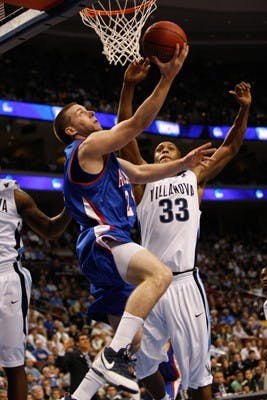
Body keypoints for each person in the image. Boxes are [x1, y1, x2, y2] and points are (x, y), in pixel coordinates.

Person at [52, 44, 215, 399]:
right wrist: (167, 78)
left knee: (135, 341)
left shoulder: (106, 159)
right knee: (160, 275)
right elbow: (138, 124)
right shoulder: (87, 148)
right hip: (104, 238)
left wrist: (183, 163)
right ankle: (114, 355)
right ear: (71, 131)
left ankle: (81, 394)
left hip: (101, 251)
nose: (91, 112)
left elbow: (141, 171)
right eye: (81, 112)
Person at [117, 59, 252, 400]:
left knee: (197, 374)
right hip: (151, 284)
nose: (161, 150)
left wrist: (243, 112)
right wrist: (129, 86)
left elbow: (231, 148)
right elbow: (124, 134)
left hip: (183, 283)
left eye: (168, 148)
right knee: (144, 368)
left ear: (181, 156)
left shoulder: (193, 177)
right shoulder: (143, 182)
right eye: (158, 148)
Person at [0, 178, 71, 400]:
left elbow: (50, 230)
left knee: (14, 364)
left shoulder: (13, 195)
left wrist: (72, 203)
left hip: (7, 278)